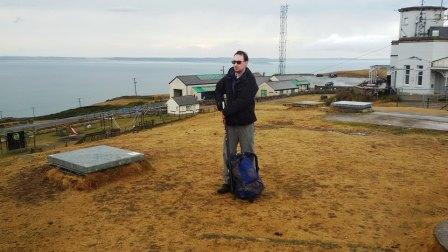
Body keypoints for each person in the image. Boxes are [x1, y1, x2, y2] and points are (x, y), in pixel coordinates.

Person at [214, 50, 259, 194]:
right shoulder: (229, 75)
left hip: (245, 124)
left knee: (247, 154)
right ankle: (229, 182)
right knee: (228, 154)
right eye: (233, 62)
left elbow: (243, 102)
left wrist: (225, 112)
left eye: (239, 62)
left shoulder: (251, 81)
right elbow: (218, 88)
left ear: (245, 63)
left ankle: (249, 183)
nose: (235, 65)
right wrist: (220, 104)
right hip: (231, 124)